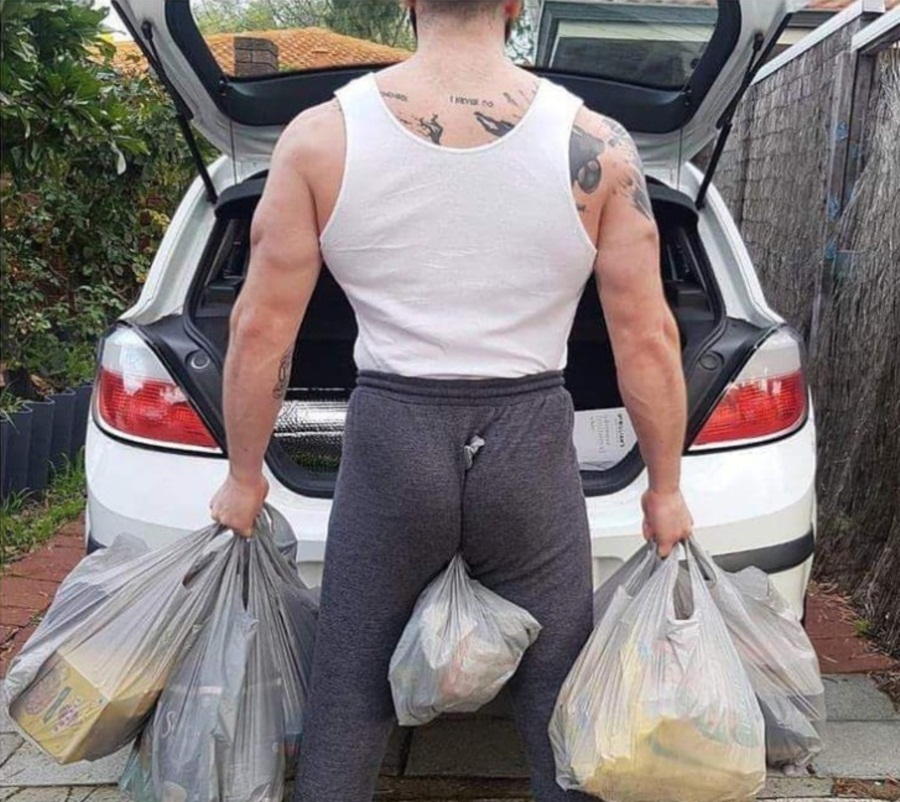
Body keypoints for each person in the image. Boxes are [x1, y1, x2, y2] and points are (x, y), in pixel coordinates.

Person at [209, 0, 693, 799]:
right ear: (515, 5)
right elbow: (647, 337)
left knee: (349, 695)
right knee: (560, 704)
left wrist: (245, 476)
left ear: (407, 2)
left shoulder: (321, 137)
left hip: (392, 443)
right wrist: (664, 489)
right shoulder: (597, 143)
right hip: (529, 449)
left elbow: (260, 329)